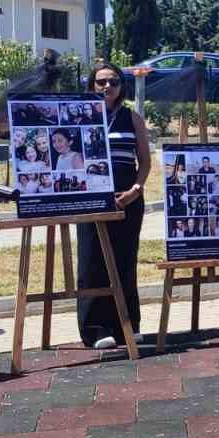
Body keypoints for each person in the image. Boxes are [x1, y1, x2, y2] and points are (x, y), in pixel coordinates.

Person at [75, 64, 151, 349]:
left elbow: (144, 162)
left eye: (114, 82)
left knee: (125, 260)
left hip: (127, 199)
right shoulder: (81, 117)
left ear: (122, 86)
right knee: (91, 261)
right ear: (92, 85)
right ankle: (96, 329)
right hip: (91, 199)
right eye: (101, 82)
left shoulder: (132, 118)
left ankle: (127, 324)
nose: (108, 87)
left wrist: (136, 189)